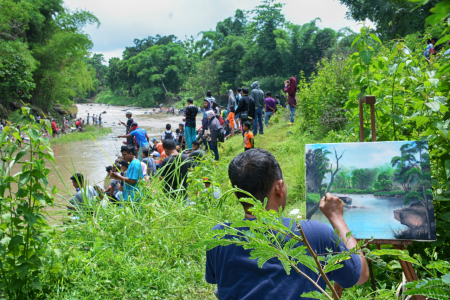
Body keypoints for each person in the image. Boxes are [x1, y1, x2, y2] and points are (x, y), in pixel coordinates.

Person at [205, 149, 369, 299]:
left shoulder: (219, 236)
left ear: (237, 193)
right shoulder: (316, 234)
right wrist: (336, 217)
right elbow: (361, 274)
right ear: (279, 187)